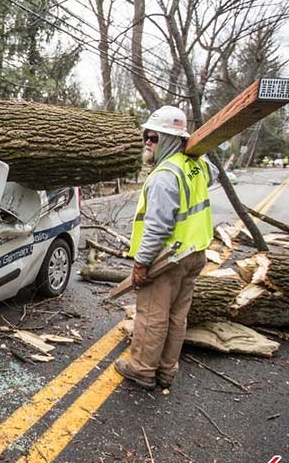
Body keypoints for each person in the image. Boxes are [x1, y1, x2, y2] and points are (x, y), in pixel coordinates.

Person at [115, 106, 217, 390]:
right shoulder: (195, 165)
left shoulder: (164, 176)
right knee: (177, 316)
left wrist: (141, 263)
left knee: (152, 316)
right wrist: (195, 150)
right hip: (194, 254)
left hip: (167, 258)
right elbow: (215, 174)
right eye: (146, 136)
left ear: (171, 140)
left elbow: (158, 227)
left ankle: (142, 370)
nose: (147, 142)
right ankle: (166, 370)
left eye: (153, 137)